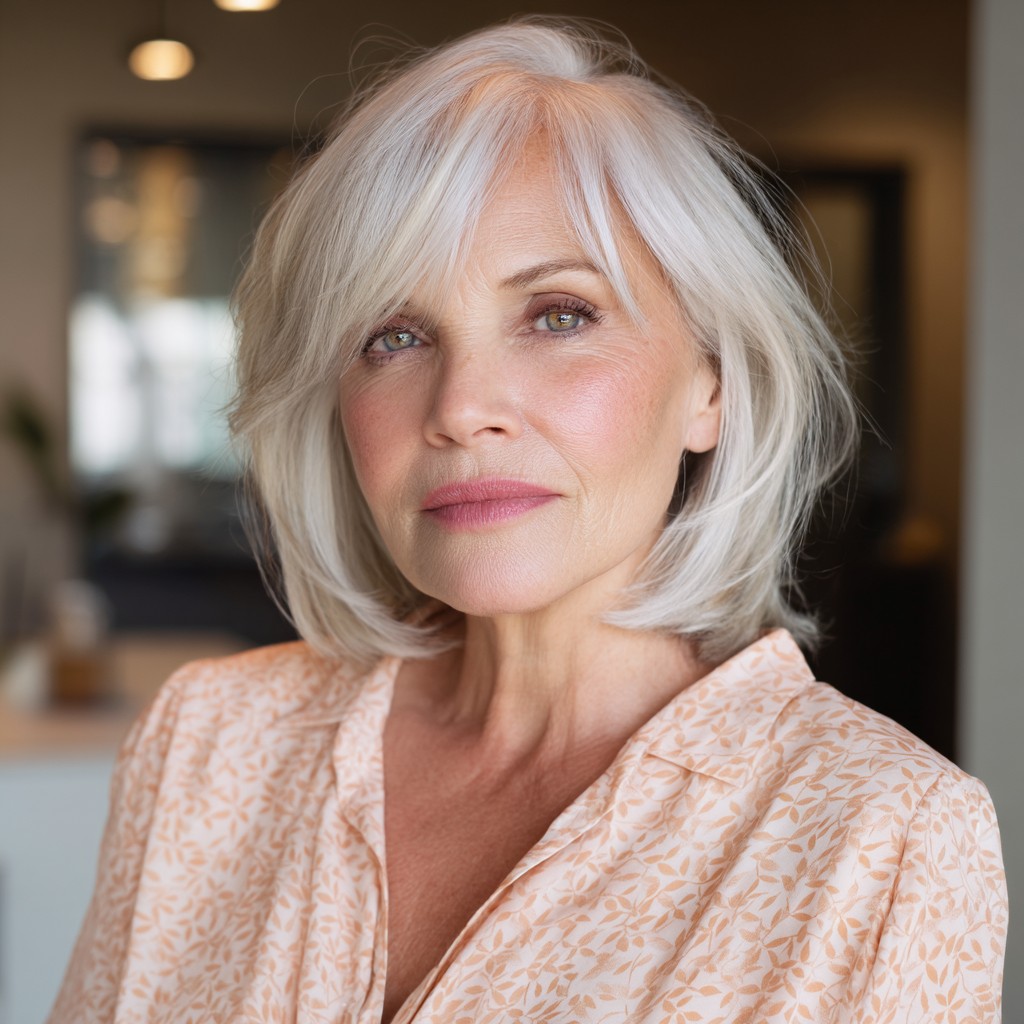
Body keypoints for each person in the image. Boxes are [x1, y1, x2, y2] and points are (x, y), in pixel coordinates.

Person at [50, 18, 1006, 1024]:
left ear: (710, 387)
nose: (461, 407)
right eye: (394, 335)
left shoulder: (880, 836)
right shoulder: (208, 743)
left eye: (558, 314)